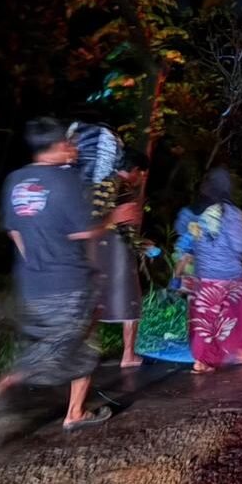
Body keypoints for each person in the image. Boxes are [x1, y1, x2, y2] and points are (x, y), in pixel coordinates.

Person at [0, 117, 140, 435]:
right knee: (81, 348)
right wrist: (115, 216)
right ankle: (72, 412)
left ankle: (3, 388)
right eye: (69, 144)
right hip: (69, 284)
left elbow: (15, 234)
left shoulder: (15, 181)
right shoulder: (67, 183)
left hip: (33, 285)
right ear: (59, 146)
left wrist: (37, 263)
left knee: (51, 345)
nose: (74, 149)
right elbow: (84, 231)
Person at [73, 123, 150, 369]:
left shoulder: (89, 182)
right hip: (115, 252)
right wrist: (142, 247)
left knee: (95, 302)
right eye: (143, 174)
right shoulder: (122, 189)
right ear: (135, 170)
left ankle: (80, 351)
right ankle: (128, 354)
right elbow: (126, 228)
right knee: (130, 301)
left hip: (90, 249)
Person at [174, 167, 242, 373]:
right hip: (231, 277)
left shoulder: (191, 213)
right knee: (239, 315)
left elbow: (184, 240)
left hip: (204, 277)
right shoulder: (232, 213)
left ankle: (202, 361)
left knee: (205, 321)